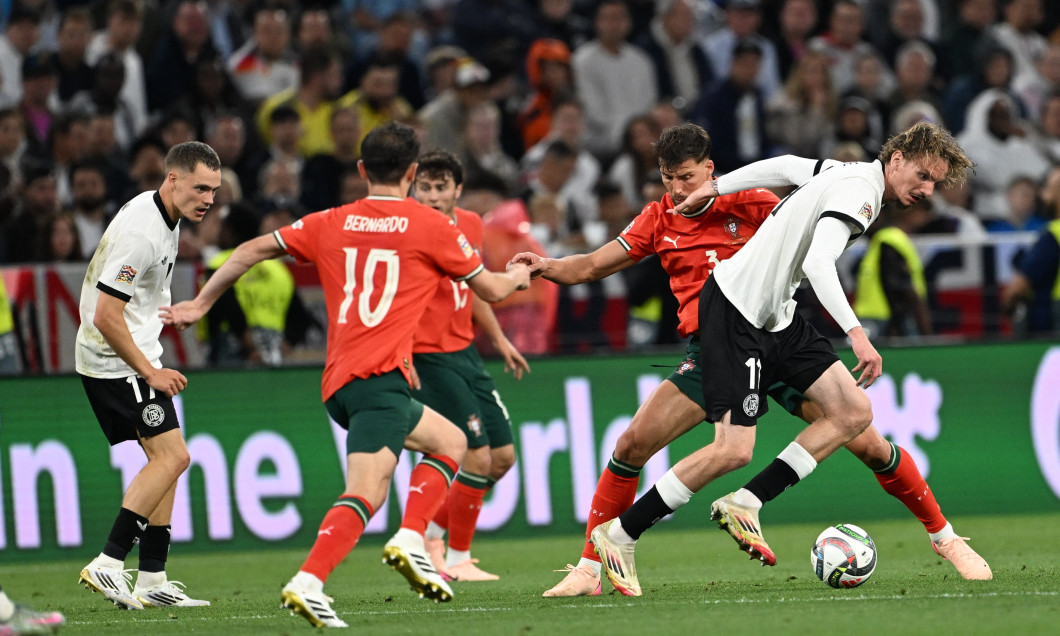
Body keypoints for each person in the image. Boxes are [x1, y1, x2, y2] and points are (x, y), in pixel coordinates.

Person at [520, 122, 990, 598]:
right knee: (644, 444)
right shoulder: (661, 217)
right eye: (669, 179)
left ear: (707, 169)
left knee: (859, 425)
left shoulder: (771, 197)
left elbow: (788, 170)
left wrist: (721, 188)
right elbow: (595, 265)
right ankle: (596, 559)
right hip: (724, 333)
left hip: (775, 323)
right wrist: (546, 267)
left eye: (688, 177)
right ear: (897, 159)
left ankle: (944, 538)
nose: (679, 190)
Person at [160, 122, 530, 628]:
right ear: (412, 172)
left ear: (361, 171)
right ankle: (312, 580)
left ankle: (408, 538)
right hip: (378, 381)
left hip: (342, 379)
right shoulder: (431, 227)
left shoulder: (330, 221)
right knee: (367, 492)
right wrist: (523, 273)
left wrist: (201, 304)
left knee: (449, 442)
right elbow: (490, 289)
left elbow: (248, 250)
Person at [75, 142, 222, 611]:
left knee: (167, 459)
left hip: (130, 355)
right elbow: (106, 314)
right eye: (201, 188)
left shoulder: (162, 214)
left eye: (215, 191)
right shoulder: (144, 230)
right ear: (173, 178)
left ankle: (153, 577)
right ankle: (109, 562)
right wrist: (151, 371)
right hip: (117, 362)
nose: (209, 199)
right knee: (173, 458)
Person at [411, 150, 529, 581]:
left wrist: (499, 340)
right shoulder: (407, 229)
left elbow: (475, 285)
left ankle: (434, 536)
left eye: (441, 187)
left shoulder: (471, 224)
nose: (432, 195)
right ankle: (453, 556)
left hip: (465, 353)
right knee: (476, 457)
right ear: (413, 188)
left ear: (457, 191)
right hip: (426, 354)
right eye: (424, 186)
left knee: (502, 457)